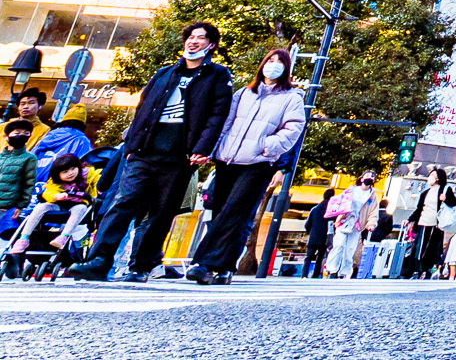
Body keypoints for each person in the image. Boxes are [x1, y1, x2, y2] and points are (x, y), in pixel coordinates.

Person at [70, 21, 232, 282]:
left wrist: (202, 149)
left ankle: (141, 266)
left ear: (210, 45)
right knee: (123, 203)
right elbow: (143, 109)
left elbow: (218, 115)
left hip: (180, 156)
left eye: (200, 38)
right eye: (190, 37)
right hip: (144, 152)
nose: (193, 41)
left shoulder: (218, 75)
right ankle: (99, 260)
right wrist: (131, 146)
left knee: (161, 213)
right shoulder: (166, 73)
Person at [186, 46, 305, 284]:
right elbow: (225, 123)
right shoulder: (243, 93)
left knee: (233, 212)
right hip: (227, 160)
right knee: (223, 213)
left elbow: (293, 130)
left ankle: (203, 263)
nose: (273, 64)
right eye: (270, 59)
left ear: (286, 68)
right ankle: (225, 267)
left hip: (258, 163)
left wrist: (267, 147)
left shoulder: (291, 98)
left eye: (279, 61)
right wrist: (212, 149)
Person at [6, 152, 99, 273]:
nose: (70, 173)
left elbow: (100, 183)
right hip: (59, 204)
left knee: (80, 208)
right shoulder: (55, 181)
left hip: (79, 205)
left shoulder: (89, 175)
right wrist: (56, 196)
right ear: (58, 174)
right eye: (65, 172)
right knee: (41, 207)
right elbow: (48, 192)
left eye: (73, 169)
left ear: (79, 167)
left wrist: (99, 189)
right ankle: (24, 238)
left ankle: (63, 236)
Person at [325, 173, 377, 277]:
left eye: (372, 177)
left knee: (350, 249)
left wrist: (371, 224)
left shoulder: (372, 195)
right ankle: (332, 270)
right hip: (344, 222)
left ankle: (344, 272)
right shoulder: (351, 190)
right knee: (338, 245)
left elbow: (373, 212)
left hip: (357, 225)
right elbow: (341, 202)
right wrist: (340, 216)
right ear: (361, 178)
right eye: (367, 176)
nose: (369, 179)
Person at [0, 119, 37, 227]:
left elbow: (28, 184)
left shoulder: (29, 158)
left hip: (7, 208)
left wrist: (20, 206)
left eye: (26, 133)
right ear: (6, 136)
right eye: (17, 133)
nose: (21, 136)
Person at [303, 187, 332, 277]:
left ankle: (304, 275)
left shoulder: (315, 209)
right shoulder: (332, 211)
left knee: (308, 257)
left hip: (313, 236)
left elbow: (307, 224)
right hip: (324, 238)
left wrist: (310, 232)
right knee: (320, 258)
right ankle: (315, 275)